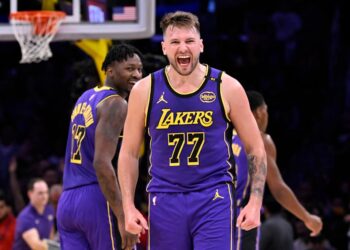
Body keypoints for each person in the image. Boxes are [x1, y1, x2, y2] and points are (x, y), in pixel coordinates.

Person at [118, 11, 267, 250]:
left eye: (189, 41)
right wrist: (128, 206)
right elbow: (129, 153)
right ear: (164, 47)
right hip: (164, 197)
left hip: (214, 197)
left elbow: (256, 146)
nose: (183, 48)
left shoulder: (227, 87)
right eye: (175, 42)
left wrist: (255, 200)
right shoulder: (144, 90)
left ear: (201, 45)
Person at [57, 43, 143, 250]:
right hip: (95, 198)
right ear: (110, 70)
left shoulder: (85, 98)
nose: (137, 75)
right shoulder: (116, 103)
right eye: (129, 69)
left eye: (139, 69)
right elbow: (101, 163)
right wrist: (123, 217)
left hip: (67, 201)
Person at [232, 90, 323, 249]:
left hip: (209, 215)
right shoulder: (260, 139)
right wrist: (307, 218)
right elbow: (278, 189)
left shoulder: (221, 135)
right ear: (260, 113)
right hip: (241, 216)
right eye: (266, 111)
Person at [13, 178, 55, 250]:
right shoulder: (25, 217)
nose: (44, 196)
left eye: (46, 192)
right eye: (40, 193)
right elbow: (37, 246)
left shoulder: (49, 209)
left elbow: (51, 233)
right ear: (30, 194)